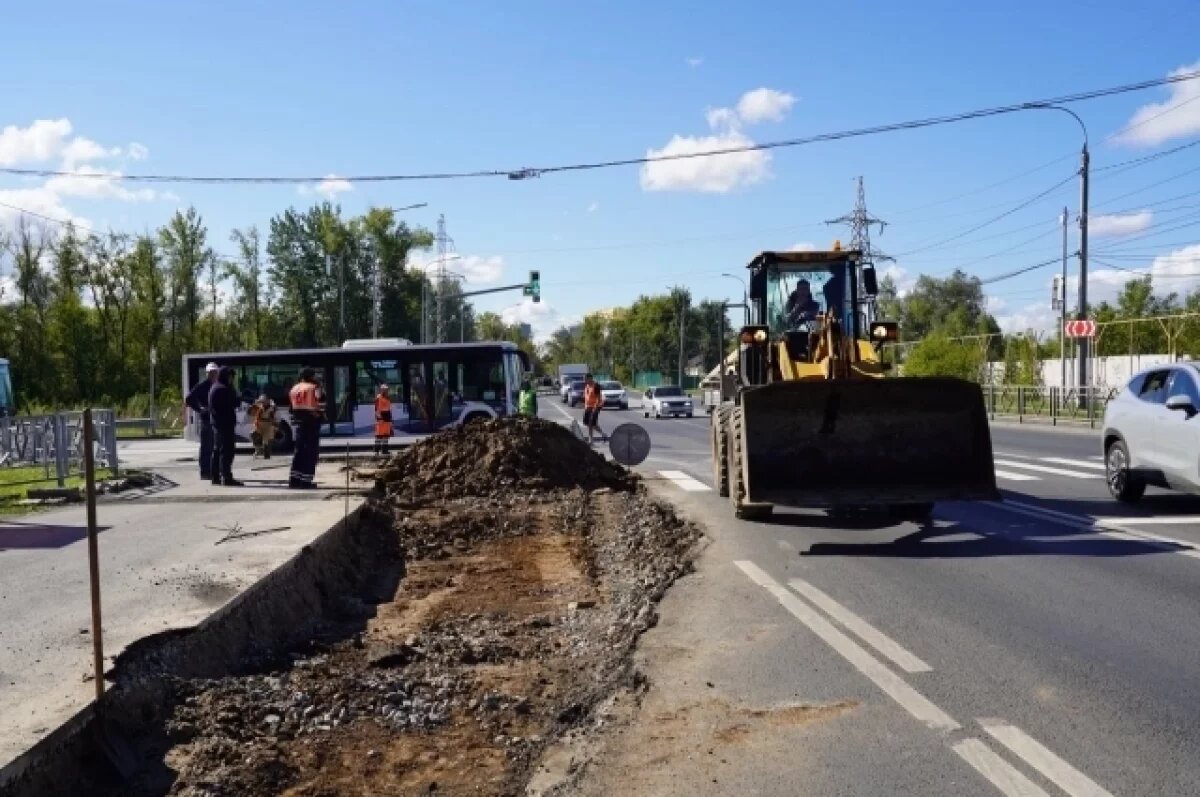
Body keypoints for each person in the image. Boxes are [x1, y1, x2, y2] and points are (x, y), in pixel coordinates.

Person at [289, 367, 325, 489]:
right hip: (312, 423)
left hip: (299, 423)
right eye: (314, 375)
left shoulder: (294, 388)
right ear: (310, 376)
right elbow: (321, 404)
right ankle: (306, 481)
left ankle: (294, 479)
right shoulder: (314, 388)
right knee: (310, 453)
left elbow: (292, 408)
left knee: (299, 451)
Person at [208, 366, 243, 486]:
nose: (231, 380)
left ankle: (215, 476)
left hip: (218, 424)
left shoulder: (215, 387)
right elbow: (235, 402)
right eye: (230, 377)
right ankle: (226, 477)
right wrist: (234, 391)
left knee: (217, 450)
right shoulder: (223, 389)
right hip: (225, 425)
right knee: (227, 451)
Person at [185, 362, 220, 479]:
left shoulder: (218, 385)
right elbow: (189, 399)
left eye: (215, 372)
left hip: (216, 420)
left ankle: (214, 470)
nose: (213, 374)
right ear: (207, 373)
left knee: (216, 447)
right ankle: (205, 472)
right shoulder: (202, 386)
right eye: (211, 372)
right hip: (206, 420)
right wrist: (200, 409)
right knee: (206, 447)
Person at [248, 394, 277, 459]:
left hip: (267, 425)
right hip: (259, 425)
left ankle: (266, 456)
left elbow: (273, 415)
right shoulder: (258, 406)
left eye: (264, 401)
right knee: (253, 434)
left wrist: (273, 405)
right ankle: (258, 449)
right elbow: (249, 412)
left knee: (266, 442)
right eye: (262, 401)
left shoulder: (271, 407)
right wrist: (254, 404)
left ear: (267, 401)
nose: (263, 402)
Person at [582, 373, 606, 444]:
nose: (585, 380)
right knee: (587, 423)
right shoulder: (587, 386)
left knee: (592, 423)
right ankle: (602, 435)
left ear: (590, 378)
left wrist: (595, 407)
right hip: (587, 407)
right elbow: (586, 397)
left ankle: (591, 439)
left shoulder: (596, 386)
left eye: (586, 379)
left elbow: (598, 398)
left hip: (595, 407)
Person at [374, 383, 393, 456]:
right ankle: (376, 451)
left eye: (387, 389)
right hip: (381, 418)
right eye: (385, 390)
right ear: (382, 390)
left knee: (386, 435)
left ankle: (384, 450)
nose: (387, 391)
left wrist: (390, 419)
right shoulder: (379, 398)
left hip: (387, 417)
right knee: (379, 435)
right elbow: (376, 409)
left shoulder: (388, 398)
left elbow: (389, 409)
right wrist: (379, 418)